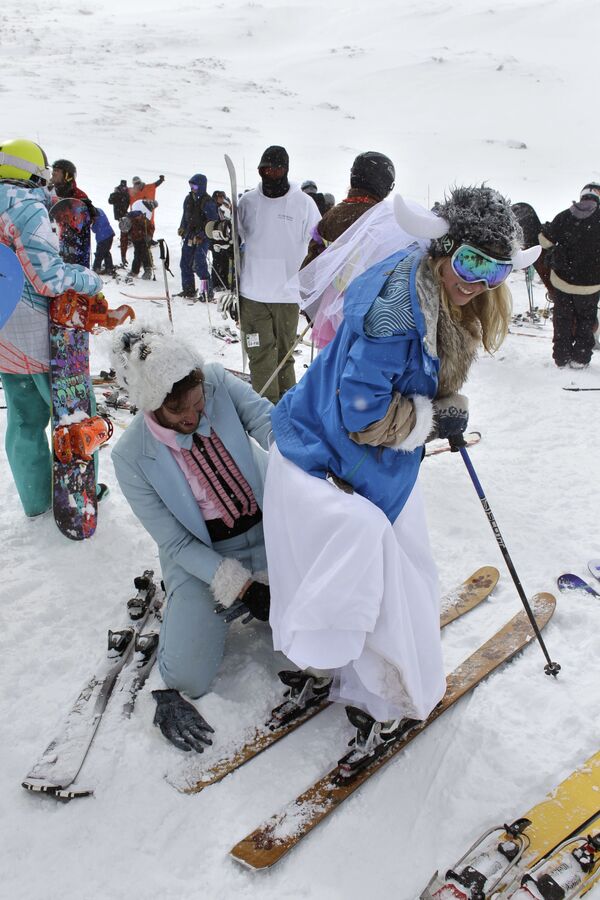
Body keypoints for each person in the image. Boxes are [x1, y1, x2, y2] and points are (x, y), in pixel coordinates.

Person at [262, 185, 538, 762]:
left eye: (494, 273)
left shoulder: (431, 285)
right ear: (445, 248)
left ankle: (342, 670)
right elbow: (361, 414)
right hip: (333, 465)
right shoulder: (396, 310)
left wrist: (440, 404)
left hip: (345, 456)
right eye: (468, 263)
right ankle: (378, 693)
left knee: (378, 572)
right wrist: (432, 419)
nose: (476, 282)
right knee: (380, 581)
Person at [110, 324, 273, 750]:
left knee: (329, 603)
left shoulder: (217, 380)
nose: (195, 416)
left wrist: (305, 464)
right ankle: (187, 617)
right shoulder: (131, 457)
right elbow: (177, 544)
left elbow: (267, 421)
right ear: (151, 407)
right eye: (180, 413)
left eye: (199, 404)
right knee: (188, 676)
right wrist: (243, 587)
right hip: (206, 554)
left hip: (270, 527)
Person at [0, 138, 103, 517]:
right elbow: (49, 277)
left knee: (24, 419)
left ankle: (36, 498)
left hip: (5, 337)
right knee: (76, 416)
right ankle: (80, 493)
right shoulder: (24, 207)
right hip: (44, 340)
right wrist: (89, 280)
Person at [237, 145, 321, 403]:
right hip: (252, 295)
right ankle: (267, 413)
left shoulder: (304, 203)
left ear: (286, 170)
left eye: (277, 169)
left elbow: (319, 242)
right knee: (261, 355)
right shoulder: (247, 202)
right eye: (265, 169)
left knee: (284, 355)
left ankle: (288, 407)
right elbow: (234, 240)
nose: (271, 174)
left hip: (287, 294)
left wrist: (316, 286)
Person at [539, 183, 600, 368]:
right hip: (591, 284)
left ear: (582, 196)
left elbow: (544, 240)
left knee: (562, 318)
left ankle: (561, 357)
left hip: (562, 280)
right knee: (586, 319)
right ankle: (580, 359)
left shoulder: (565, 215)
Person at [302, 151, 395, 268]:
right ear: (383, 184)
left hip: (330, 286)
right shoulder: (385, 219)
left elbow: (308, 271)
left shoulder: (331, 216)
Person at [177, 174, 219, 300]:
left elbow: (212, 222)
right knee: (185, 263)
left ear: (201, 185)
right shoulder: (188, 199)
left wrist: (202, 235)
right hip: (189, 236)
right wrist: (182, 228)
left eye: (194, 185)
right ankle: (188, 290)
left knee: (200, 265)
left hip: (202, 238)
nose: (192, 188)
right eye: (191, 185)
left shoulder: (208, 202)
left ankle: (206, 292)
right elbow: (185, 216)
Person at [50, 159, 94, 267]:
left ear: (67, 175)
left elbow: (86, 222)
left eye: (57, 170)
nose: (53, 173)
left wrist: (89, 210)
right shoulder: (48, 190)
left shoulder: (78, 195)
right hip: (51, 240)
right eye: (53, 170)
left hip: (73, 246)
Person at [121, 199, 156, 279]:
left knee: (144, 253)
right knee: (137, 254)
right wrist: (123, 255)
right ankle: (135, 271)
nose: (126, 232)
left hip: (144, 236)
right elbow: (123, 241)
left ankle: (147, 271)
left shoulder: (139, 219)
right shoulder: (123, 225)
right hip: (135, 238)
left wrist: (149, 236)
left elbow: (151, 227)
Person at [108, 179, 131, 266]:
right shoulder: (123, 193)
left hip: (122, 214)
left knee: (124, 232)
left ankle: (126, 239)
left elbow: (111, 201)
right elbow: (110, 201)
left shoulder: (122, 193)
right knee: (124, 232)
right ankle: (126, 240)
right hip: (122, 214)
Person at [91, 207, 116, 275]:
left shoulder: (96, 219)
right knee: (106, 252)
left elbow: (94, 230)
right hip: (110, 234)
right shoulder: (100, 211)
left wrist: (91, 224)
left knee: (99, 253)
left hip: (103, 237)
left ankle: (96, 268)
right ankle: (109, 268)